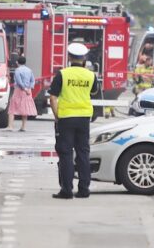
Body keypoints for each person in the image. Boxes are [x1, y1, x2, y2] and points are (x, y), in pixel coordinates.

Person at [49, 42, 99, 199]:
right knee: (83, 153)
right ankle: (84, 189)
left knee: (66, 154)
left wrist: (57, 116)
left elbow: (53, 96)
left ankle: (67, 190)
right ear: (84, 58)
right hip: (84, 118)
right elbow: (94, 91)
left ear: (69, 57)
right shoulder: (91, 75)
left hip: (66, 118)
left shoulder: (62, 74)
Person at [8, 56, 37, 131]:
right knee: (25, 108)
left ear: (17, 62)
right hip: (28, 91)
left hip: (19, 90)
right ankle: (23, 127)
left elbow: (19, 81)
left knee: (12, 107)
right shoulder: (29, 70)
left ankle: (10, 126)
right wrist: (29, 88)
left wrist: (24, 88)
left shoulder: (18, 70)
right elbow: (33, 80)